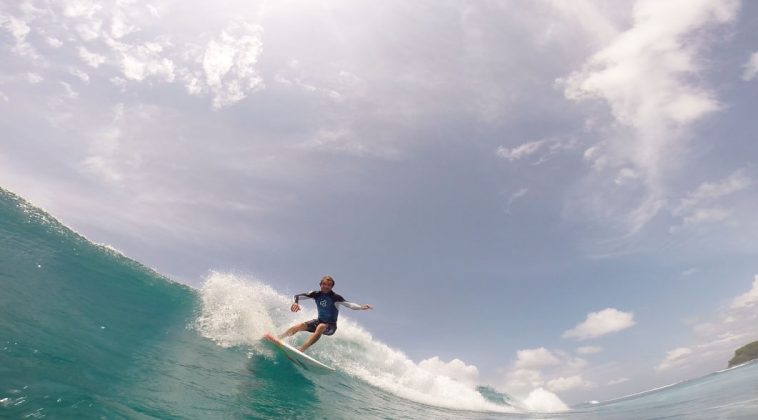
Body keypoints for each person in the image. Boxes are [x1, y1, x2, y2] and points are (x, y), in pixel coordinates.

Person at [279, 275, 372, 352]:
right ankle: (279, 338)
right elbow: (297, 296)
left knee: (321, 327)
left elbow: (349, 304)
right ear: (320, 284)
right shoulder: (316, 294)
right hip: (319, 321)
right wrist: (295, 302)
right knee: (299, 326)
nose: (326, 286)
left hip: (331, 327)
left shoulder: (335, 297)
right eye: (324, 284)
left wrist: (360, 307)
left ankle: (301, 350)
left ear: (332, 287)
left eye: (329, 285)